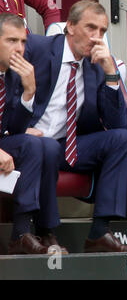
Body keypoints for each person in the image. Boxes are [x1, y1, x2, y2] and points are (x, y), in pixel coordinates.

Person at [23, 0, 127, 253]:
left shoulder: (97, 66)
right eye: (91, 28)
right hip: (29, 141)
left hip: (68, 146)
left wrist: (111, 73)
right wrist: (17, 129)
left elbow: (117, 124)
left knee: (122, 139)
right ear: (69, 26)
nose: (97, 37)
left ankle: (100, 233)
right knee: (44, 147)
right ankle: (45, 232)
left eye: (102, 31)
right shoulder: (38, 47)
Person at [0, 13, 51, 255]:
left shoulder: (12, 76)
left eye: (23, 42)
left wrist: (29, 91)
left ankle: (21, 234)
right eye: (11, 41)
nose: (19, 48)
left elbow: (16, 129)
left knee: (33, 144)